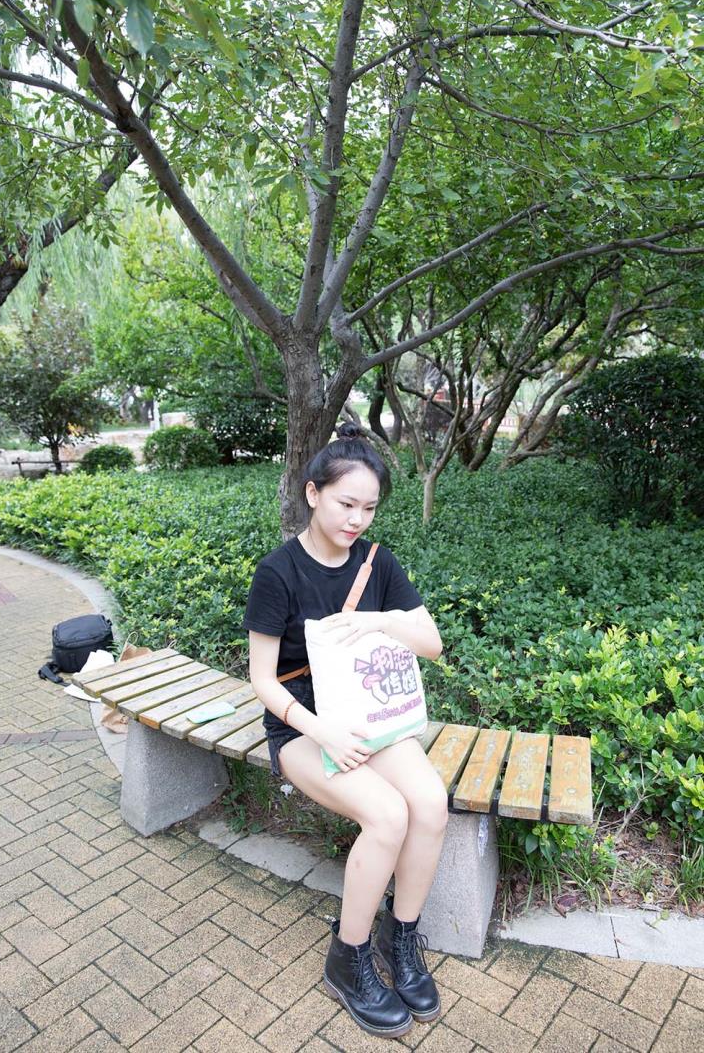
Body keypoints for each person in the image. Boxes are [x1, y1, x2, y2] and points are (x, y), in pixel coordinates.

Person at [244, 423, 448, 1039]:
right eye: (345, 503)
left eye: (369, 508)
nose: (357, 519)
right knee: (387, 815)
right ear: (313, 494)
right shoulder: (278, 572)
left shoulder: (377, 562)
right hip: (303, 729)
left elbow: (432, 643)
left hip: (372, 718)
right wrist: (323, 733)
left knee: (430, 804)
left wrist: (379, 620)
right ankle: (348, 956)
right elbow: (263, 680)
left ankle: (400, 937)